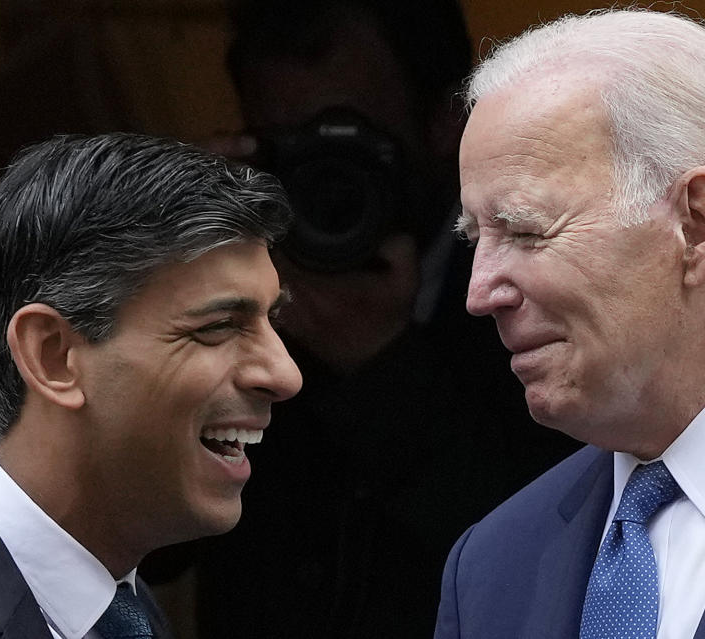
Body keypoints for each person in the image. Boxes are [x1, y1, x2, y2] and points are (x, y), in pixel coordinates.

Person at [152, 1, 578, 637]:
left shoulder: (551, 298)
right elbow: (145, 545)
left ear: (444, 123)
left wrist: (380, 364)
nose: (320, 182)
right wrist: (149, 302)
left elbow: (566, 561)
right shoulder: (227, 295)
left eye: (349, 139)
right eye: (290, 150)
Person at [436, 9, 705, 639]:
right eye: (476, 239)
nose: (479, 292)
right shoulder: (492, 567)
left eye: (524, 231)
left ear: (696, 225)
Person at [0, 133, 303, 638]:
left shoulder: (122, 612)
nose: (285, 374)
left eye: (271, 321)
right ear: (53, 356)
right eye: (217, 326)